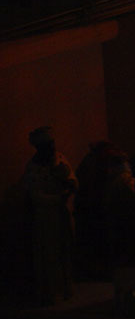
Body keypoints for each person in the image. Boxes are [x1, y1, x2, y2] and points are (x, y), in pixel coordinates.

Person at [22, 126, 77, 305]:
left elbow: (71, 177)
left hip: (61, 213)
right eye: (49, 145)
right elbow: (35, 195)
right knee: (49, 254)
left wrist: (70, 184)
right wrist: (57, 199)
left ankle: (66, 288)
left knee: (64, 250)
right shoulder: (33, 168)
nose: (53, 148)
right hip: (46, 218)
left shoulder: (59, 159)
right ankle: (52, 292)